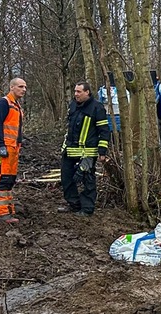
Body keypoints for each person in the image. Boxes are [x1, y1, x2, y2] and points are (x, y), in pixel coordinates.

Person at [59, 81, 110, 217]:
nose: (76, 94)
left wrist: (102, 151)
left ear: (87, 92)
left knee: (88, 181)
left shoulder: (97, 107)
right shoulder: (73, 105)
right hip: (70, 149)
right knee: (66, 178)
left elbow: (104, 130)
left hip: (87, 152)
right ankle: (74, 204)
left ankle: (87, 209)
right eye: (75, 91)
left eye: (79, 92)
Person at [0, 78, 27, 223]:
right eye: (20, 86)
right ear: (12, 87)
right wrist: (1, 145)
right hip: (3, 147)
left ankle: (8, 209)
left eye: (25, 87)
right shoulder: (3, 103)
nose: (24, 90)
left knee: (9, 178)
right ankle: (1, 212)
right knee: (2, 177)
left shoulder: (15, 106)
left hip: (12, 147)